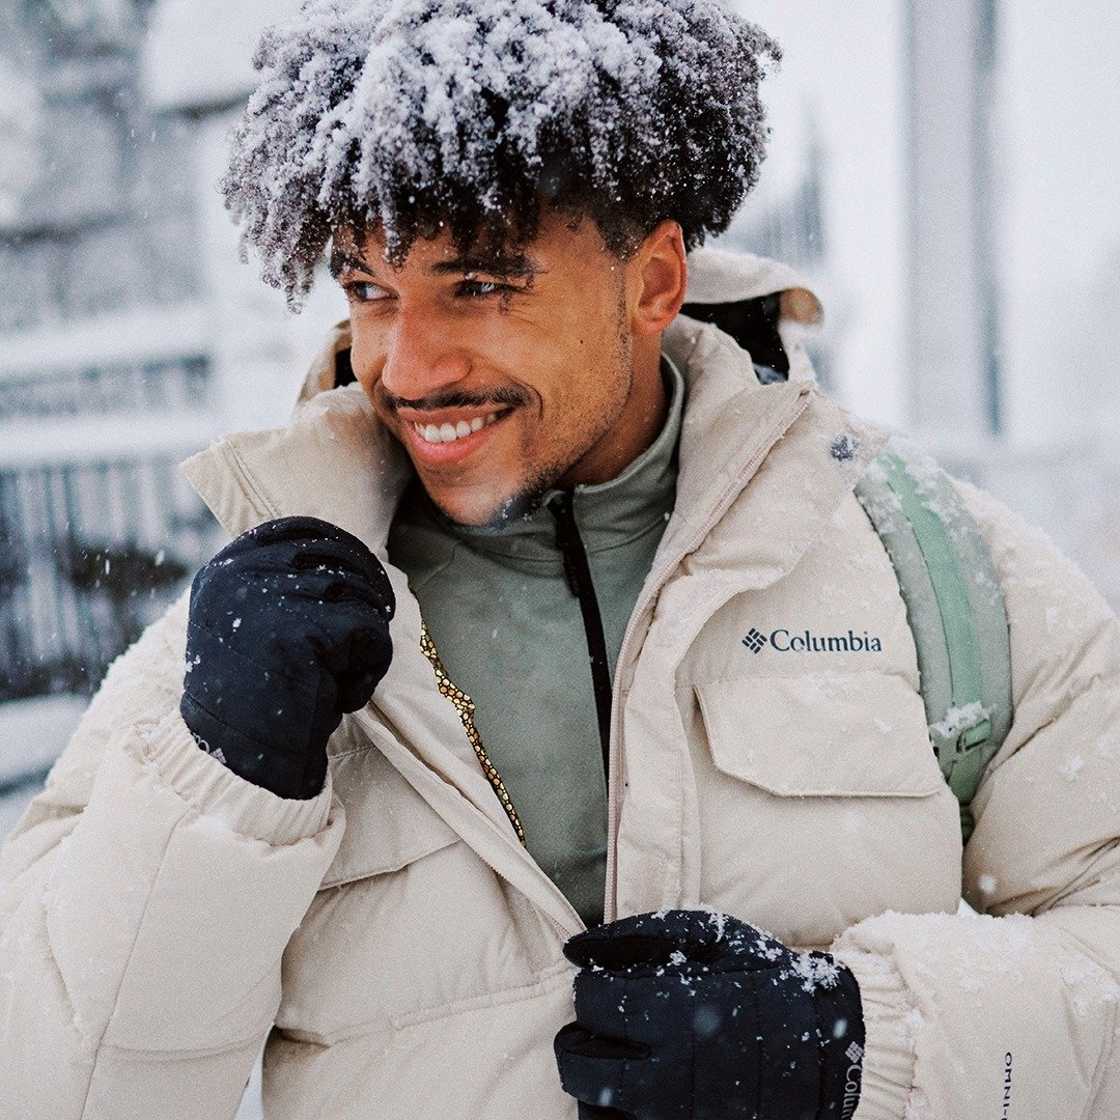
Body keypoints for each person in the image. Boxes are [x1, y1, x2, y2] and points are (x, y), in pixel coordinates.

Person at [2, 2, 1118, 1117]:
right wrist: (220, 781)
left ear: (654, 281)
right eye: (369, 291)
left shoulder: (922, 566)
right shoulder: (259, 634)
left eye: (481, 286)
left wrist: (860, 1047)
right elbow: (54, 1088)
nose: (408, 368)